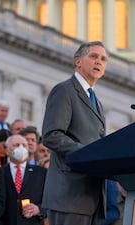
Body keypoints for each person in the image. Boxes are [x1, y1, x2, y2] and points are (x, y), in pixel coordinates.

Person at [42, 41, 107, 225]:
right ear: (78, 61)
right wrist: (88, 154)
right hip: (69, 195)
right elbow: (51, 135)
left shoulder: (98, 102)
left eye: (103, 59)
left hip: (92, 195)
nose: (99, 62)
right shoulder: (64, 90)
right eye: (93, 56)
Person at [0, 134, 47, 225]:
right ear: (7, 150)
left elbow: (51, 200)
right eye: (16, 145)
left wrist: (39, 209)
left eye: (24, 145)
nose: (21, 148)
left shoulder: (41, 173)